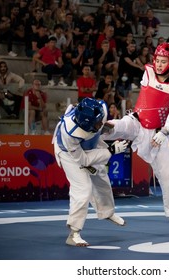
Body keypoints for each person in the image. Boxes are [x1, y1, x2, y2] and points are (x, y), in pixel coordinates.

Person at [101, 42, 169, 235]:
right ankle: (96, 128)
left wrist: (165, 131)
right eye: (157, 60)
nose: (158, 64)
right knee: (118, 126)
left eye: (163, 61)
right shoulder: (147, 71)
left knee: (167, 178)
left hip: (158, 134)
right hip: (137, 121)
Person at [52, 98, 128, 246]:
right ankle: (74, 233)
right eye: (96, 125)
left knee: (102, 179)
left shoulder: (102, 110)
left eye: (100, 122)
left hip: (90, 144)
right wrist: (111, 150)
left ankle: (107, 212)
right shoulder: (71, 133)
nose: (100, 125)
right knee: (83, 188)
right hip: (69, 154)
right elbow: (83, 160)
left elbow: (103, 125)